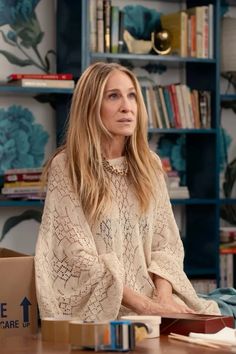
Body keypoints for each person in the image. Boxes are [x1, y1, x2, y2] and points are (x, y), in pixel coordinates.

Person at [35, 62, 220, 321]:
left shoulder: (150, 164)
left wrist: (163, 300)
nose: (127, 106)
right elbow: (78, 257)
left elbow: (165, 244)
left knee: (224, 307)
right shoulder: (68, 167)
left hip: (156, 301)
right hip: (103, 309)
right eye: (113, 96)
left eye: (131, 95)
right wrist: (146, 307)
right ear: (91, 106)